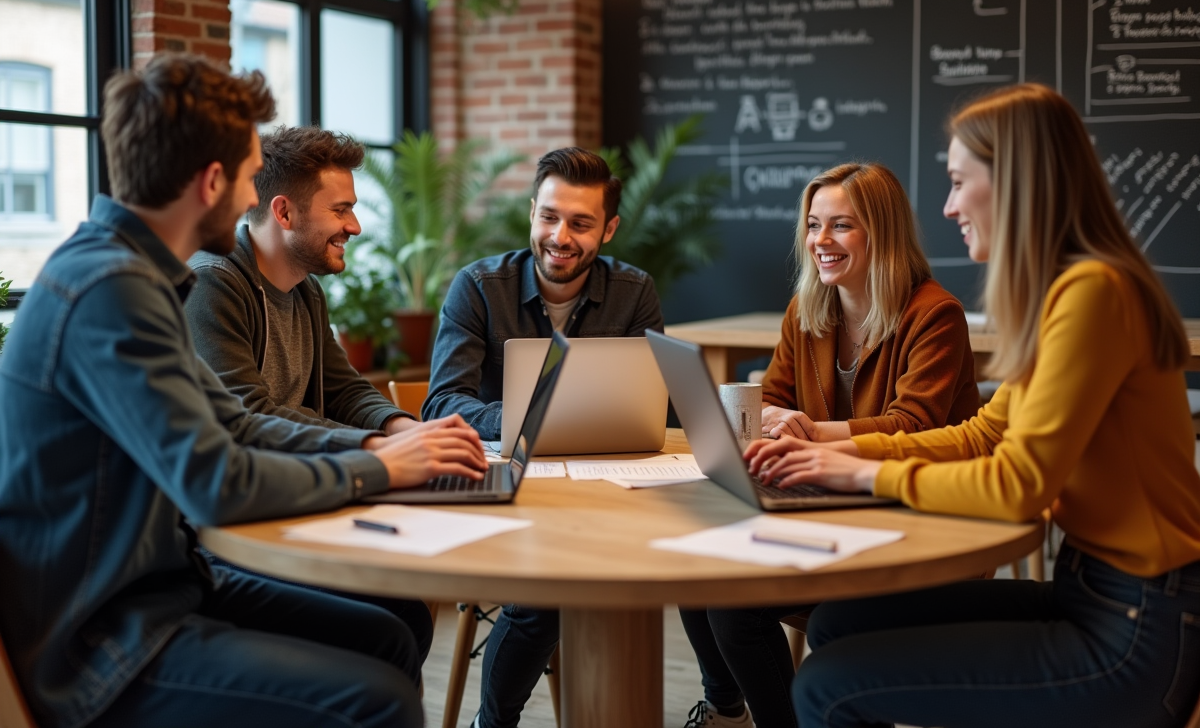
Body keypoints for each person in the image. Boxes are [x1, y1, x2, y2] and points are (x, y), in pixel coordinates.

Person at [0, 53, 487, 728]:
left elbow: (236, 423)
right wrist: (376, 468)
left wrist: (383, 449)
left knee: (388, 636)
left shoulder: (133, 277)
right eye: (249, 176)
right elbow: (215, 483)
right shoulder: (112, 292)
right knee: (378, 702)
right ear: (211, 182)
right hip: (105, 640)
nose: (253, 197)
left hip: (167, 586)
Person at [750, 83, 1200, 728]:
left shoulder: (1094, 293)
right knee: (836, 623)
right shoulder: (1067, 291)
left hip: (1138, 625)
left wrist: (861, 473)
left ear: (1016, 182)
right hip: (1093, 590)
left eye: (960, 182)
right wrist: (832, 452)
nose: (949, 205)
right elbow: (980, 435)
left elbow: (1019, 484)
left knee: (826, 687)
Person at [679, 162, 980, 728]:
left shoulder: (935, 315)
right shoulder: (808, 309)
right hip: (829, 506)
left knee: (733, 605)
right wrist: (775, 417)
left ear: (881, 234)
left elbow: (913, 425)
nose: (821, 240)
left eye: (841, 225)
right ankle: (728, 713)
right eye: (814, 225)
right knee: (699, 575)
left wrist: (812, 433)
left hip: (910, 519)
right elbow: (772, 395)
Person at [423, 147, 664, 728]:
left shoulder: (634, 292)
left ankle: (724, 707)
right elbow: (442, 402)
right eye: (549, 217)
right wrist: (528, 418)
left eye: (580, 223)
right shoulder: (479, 286)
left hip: (604, 496)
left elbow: (653, 406)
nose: (560, 236)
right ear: (532, 212)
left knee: (684, 562)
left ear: (609, 229)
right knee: (546, 591)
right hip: (508, 493)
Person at [184, 124, 437, 664]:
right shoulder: (213, 284)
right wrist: (379, 449)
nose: (355, 226)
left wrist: (405, 429)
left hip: (293, 500)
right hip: (226, 535)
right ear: (283, 212)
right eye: (341, 210)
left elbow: (344, 389)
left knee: (405, 612)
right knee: (397, 620)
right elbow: (248, 415)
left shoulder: (305, 290)